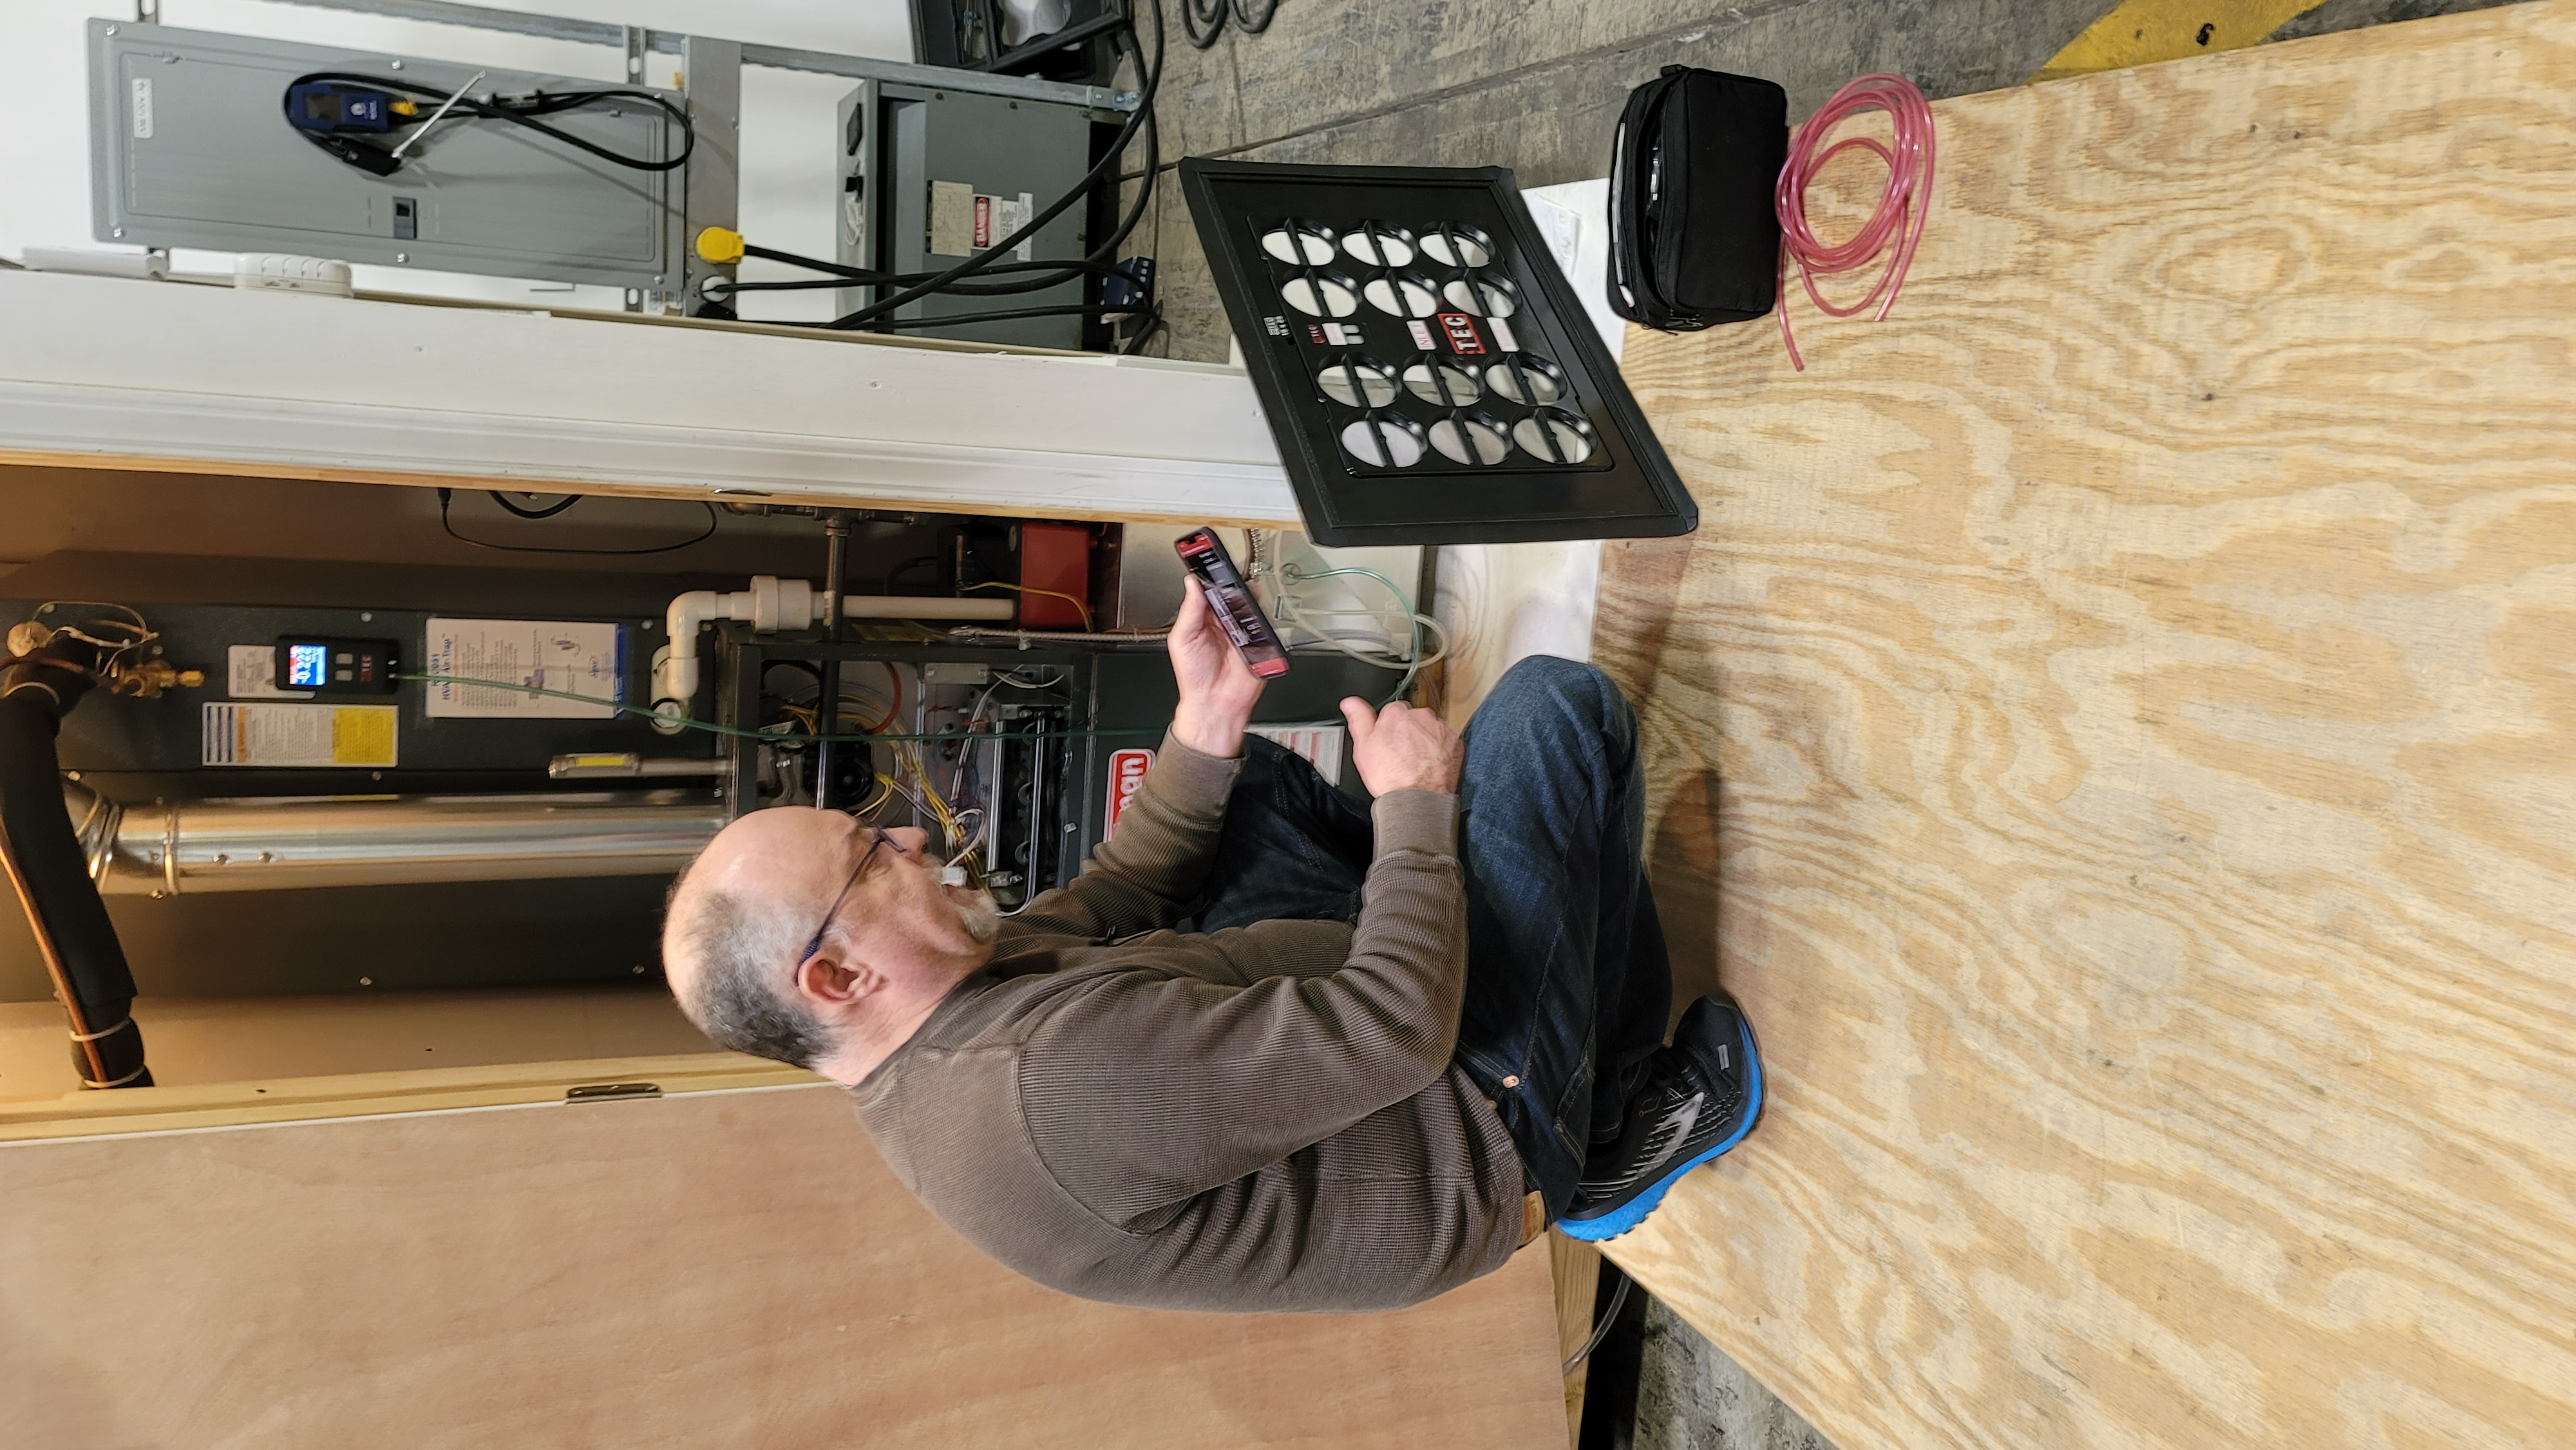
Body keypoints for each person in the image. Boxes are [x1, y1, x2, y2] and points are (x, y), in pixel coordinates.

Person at [660, 580, 1763, 1312]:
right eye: (871, 856)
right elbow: (1392, 1031)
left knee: (1249, 799)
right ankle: (1608, 1126)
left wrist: (1209, 714)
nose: (907, 834)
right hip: (1468, 1121)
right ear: (838, 977)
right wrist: (1415, 814)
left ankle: (1506, 942)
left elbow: (1119, 892)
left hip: (1331, 1034)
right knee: (1550, 714)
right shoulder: (1044, 1091)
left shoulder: (948, 1009)